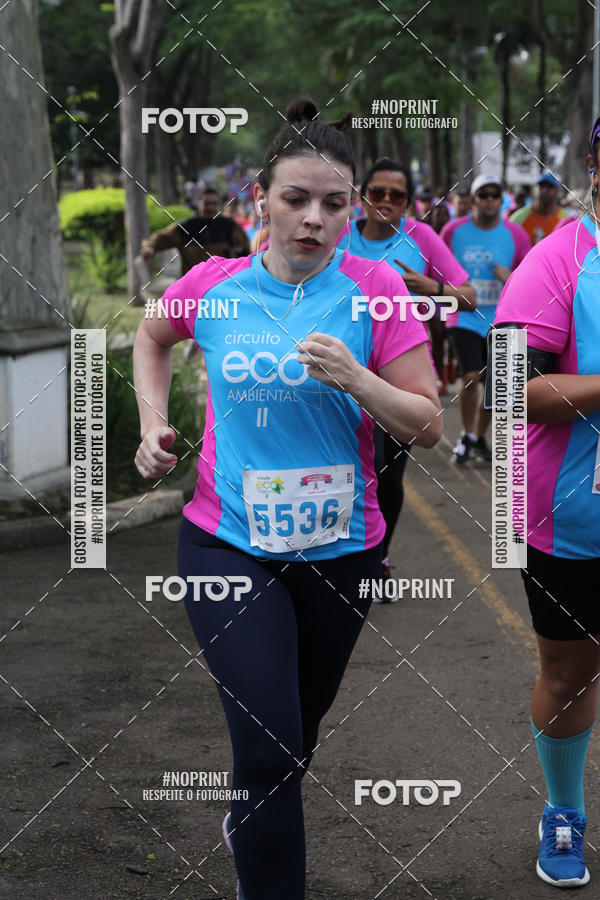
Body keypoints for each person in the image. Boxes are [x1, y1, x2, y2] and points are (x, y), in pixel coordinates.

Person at [132, 98, 442, 899]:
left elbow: (428, 422)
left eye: (334, 204)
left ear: (352, 210)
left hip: (342, 550)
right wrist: (153, 425)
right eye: (296, 200)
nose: (314, 220)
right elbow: (151, 336)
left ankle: (248, 818)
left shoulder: (378, 290)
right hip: (227, 542)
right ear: (259, 201)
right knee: (270, 749)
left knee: (292, 744)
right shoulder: (214, 284)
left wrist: (359, 378)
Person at [490, 115, 600, 889]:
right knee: (571, 674)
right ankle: (564, 811)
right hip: (576, 518)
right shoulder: (557, 262)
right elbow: (508, 387)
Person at [341, 157, 474, 593]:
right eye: (376, 192)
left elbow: (468, 298)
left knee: (386, 470)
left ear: (408, 202)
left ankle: (377, 557)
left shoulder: (422, 238)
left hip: (401, 377)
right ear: (362, 196)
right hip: (340, 374)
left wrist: (432, 288)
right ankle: (339, 555)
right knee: (349, 467)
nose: (384, 201)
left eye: (396, 195)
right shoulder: (341, 236)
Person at [441, 174, 530, 463]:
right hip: (464, 315)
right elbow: (438, 268)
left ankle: (479, 437)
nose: (490, 200)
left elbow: (531, 280)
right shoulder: (453, 231)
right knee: (470, 377)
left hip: (502, 318)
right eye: (484, 194)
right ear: (473, 199)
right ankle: (466, 434)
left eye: (495, 195)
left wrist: (510, 277)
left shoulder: (516, 234)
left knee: (496, 384)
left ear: (501, 200)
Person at [140, 187, 250, 276]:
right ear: (199, 204)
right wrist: (150, 247)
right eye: (207, 204)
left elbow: (245, 249)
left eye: (214, 204)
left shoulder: (229, 225)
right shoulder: (185, 227)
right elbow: (161, 237)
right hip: (191, 284)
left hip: (221, 283)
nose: (210, 207)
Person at [510, 172, 570, 244]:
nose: (544, 190)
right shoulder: (519, 217)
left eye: (550, 187)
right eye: (541, 186)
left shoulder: (565, 220)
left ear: (557, 191)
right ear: (534, 190)